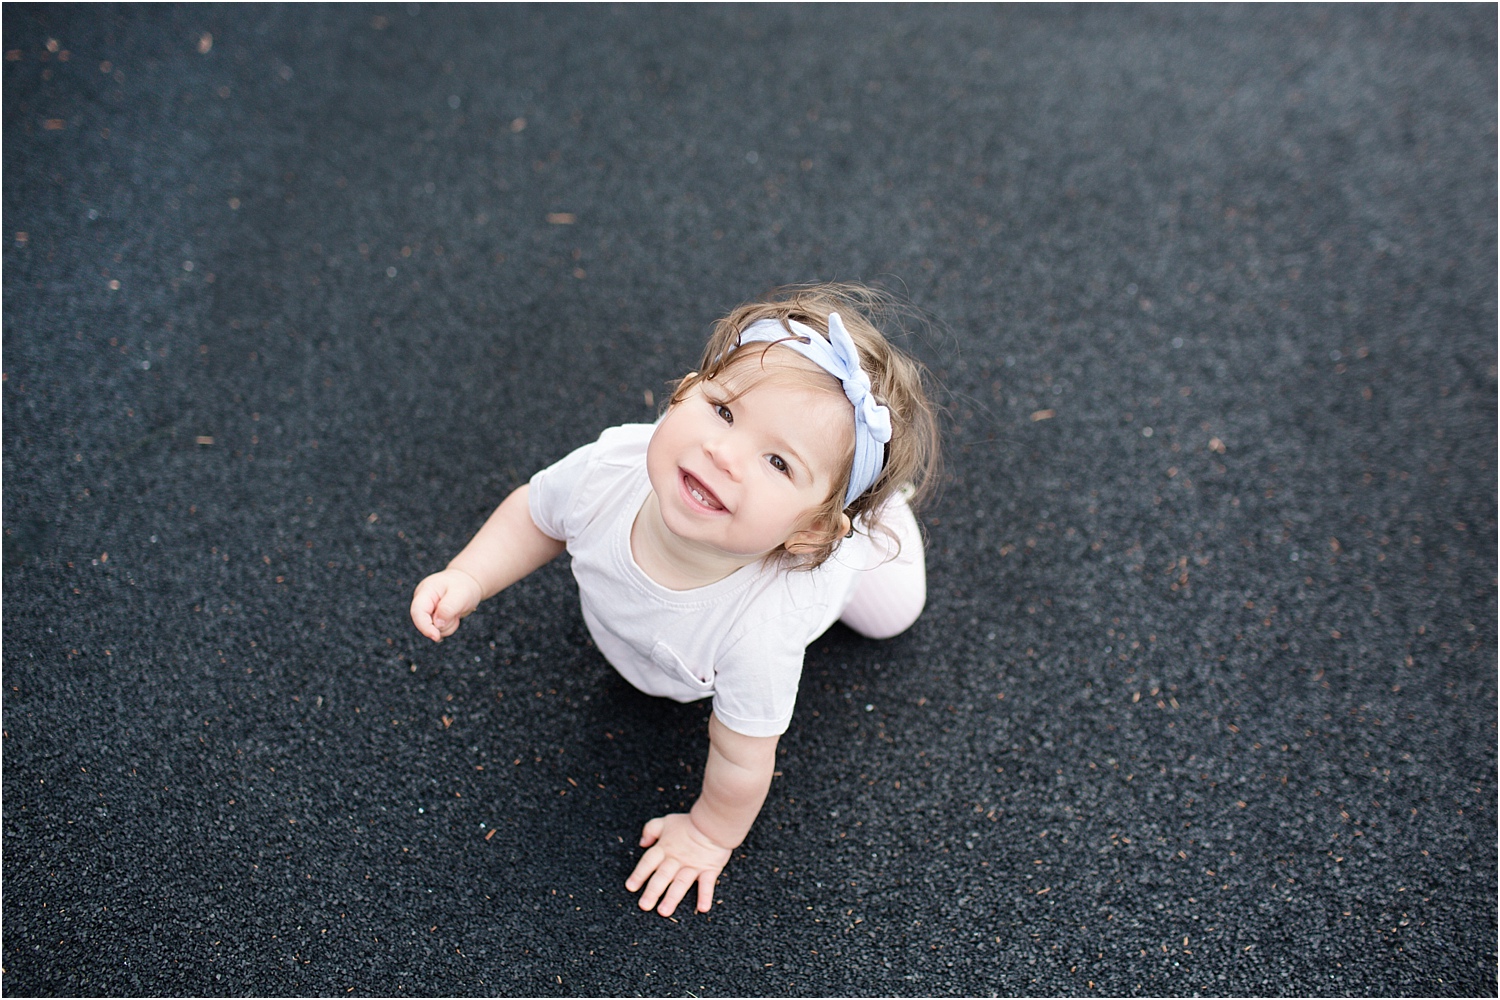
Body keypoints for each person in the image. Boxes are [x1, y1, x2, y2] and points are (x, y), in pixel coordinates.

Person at [410, 283, 941, 917]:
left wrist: (710, 834)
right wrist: (469, 577)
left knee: (890, 617)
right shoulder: (611, 470)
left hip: (840, 562)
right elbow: (536, 514)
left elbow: (743, 756)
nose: (724, 454)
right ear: (685, 391)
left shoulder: (761, 633)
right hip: (658, 650)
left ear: (807, 530)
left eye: (777, 462)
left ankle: (881, 514)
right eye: (723, 411)